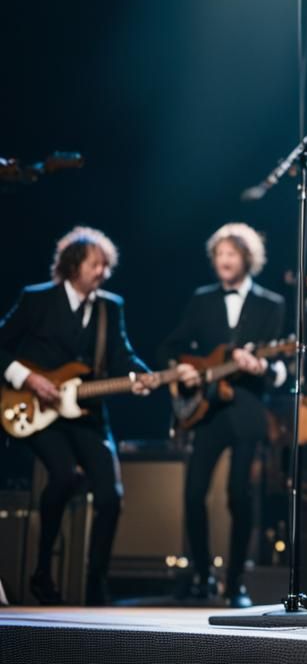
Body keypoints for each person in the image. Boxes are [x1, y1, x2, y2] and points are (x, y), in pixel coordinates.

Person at [0, 227, 161, 605]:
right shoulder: (37, 299)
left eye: (106, 265)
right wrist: (29, 379)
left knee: (111, 495)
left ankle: (96, 583)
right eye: (95, 265)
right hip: (37, 408)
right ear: (74, 266)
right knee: (63, 476)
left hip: (88, 413)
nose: (102, 272)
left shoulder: (110, 307)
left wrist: (140, 375)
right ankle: (43, 572)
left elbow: (121, 354)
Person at [158, 223, 286, 609]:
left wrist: (262, 367)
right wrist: (181, 369)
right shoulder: (202, 300)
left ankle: (235, 583)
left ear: (247, 258)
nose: (224, 261)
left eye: (231, 254)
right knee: (193, 493)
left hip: (247, 410)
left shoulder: (272, 304)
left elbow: (283, 367)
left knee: (238, 495)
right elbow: (170, 346)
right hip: (208, 412)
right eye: (219, 254)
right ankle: (201, 575)